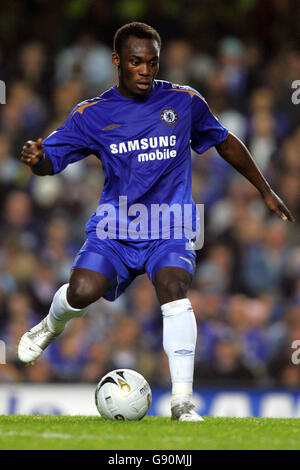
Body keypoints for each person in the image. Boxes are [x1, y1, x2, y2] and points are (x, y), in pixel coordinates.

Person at [17, 22, 295, 421]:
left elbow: (224, 140)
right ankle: (50, 325)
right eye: (135, 62)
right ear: (117, 62)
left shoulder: (184, 102)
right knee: (81, 290)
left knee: (173, 285)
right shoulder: (92, 114)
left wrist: (264, 189)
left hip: (170, 225)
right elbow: (50, 160)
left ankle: (182, 402)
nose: (145, 70)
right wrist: (37, 159)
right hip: (116, 227)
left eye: (152, 62)